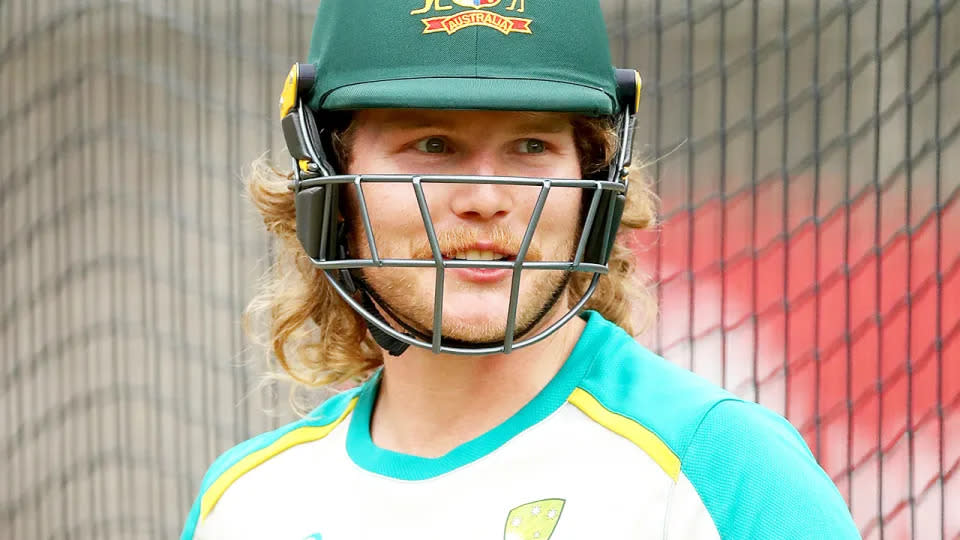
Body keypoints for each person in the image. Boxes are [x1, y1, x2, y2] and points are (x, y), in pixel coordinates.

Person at [181, 0, 860, 538]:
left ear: (595, 180)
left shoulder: (718, 469)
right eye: (433, 144)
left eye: (531, 144)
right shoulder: (245, 504)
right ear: (329, 180)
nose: (486, 200)